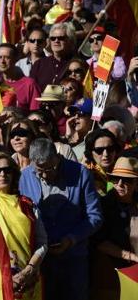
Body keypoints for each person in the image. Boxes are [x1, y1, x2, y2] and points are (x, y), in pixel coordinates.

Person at [19, 138, 102, 300]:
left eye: (49, 169)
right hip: (41, 260)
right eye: (39, 170)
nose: (44, 175)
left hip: (73, 258)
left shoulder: (80, 173)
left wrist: (71, 239)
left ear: (57, 157)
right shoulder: (26, 176)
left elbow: (95, 216)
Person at [0, 153, 47, 299]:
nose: (2, 174)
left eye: (7, 170)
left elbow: (42, 243)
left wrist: (29, 269)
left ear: (14, 174)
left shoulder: (29, 206)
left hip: (29, 280)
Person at [91, 157, 138, 300]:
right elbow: (99, 241)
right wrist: (131, 256)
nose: (120, 184)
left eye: (127, 180)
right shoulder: (104, 205)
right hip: (110, 274)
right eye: (116, 179)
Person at [30, 23, 75, 90]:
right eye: (53, 38)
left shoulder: (77, 64)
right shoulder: (39, 64)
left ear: (70, 41)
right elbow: (31, 90)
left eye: (61, 38)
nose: (56, 41)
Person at [0, 43, 41, 112]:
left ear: (15, 60)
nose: (2, 61)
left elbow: (35, 114)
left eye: (7, 57)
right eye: (0, 57)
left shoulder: (29, 84)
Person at [83, 129, 122, 196]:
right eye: (99, 150)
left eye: (110, 149)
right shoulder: (87, 174)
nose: (106, 154)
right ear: (90, 152)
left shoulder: (123, 167)